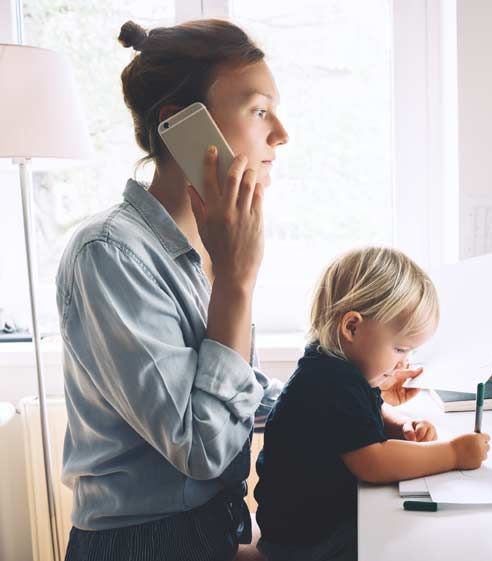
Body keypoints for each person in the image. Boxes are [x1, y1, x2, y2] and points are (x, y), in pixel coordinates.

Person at [56, 19, 419, 561]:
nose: (281, 133)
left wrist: (344, 413)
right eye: (258, 110)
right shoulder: (109, 254)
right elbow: (202, 448)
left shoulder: (206, 242)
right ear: (181, 125)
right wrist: (236, 280)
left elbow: (233, 390)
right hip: (145, 546)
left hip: (216, 531)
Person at [254, 247, 491, 561]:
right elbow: (373, 463)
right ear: (352, 327)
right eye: (399, 349)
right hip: (307, 543)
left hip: (311, 527)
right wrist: (454, 453)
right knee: (418, 542)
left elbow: (367, 412)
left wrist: (400, 424)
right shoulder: (329, 382)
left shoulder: (334, 366)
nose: (403, 361)